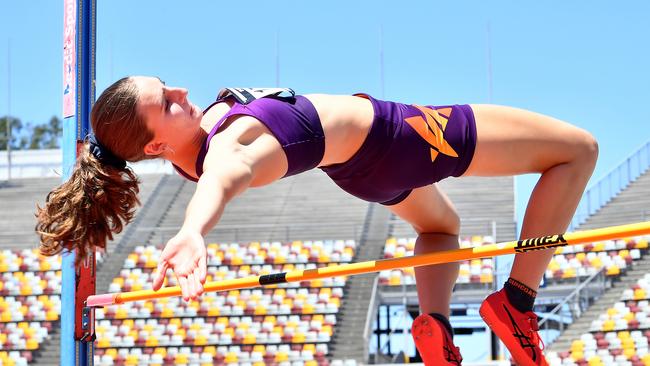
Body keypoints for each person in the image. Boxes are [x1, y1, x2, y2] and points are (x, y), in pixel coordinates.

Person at [36, 76, 598, 365]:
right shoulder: (230, 145)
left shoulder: (186, 148)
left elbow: (203, 164)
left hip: (358, 172)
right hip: (401, 136)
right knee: (578, 150)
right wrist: (192, 231)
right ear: (157, 143)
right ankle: (518, 304)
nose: (183, 90)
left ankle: (436, 327)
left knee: (439, 229)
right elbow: (223, 176)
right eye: (170, 101)